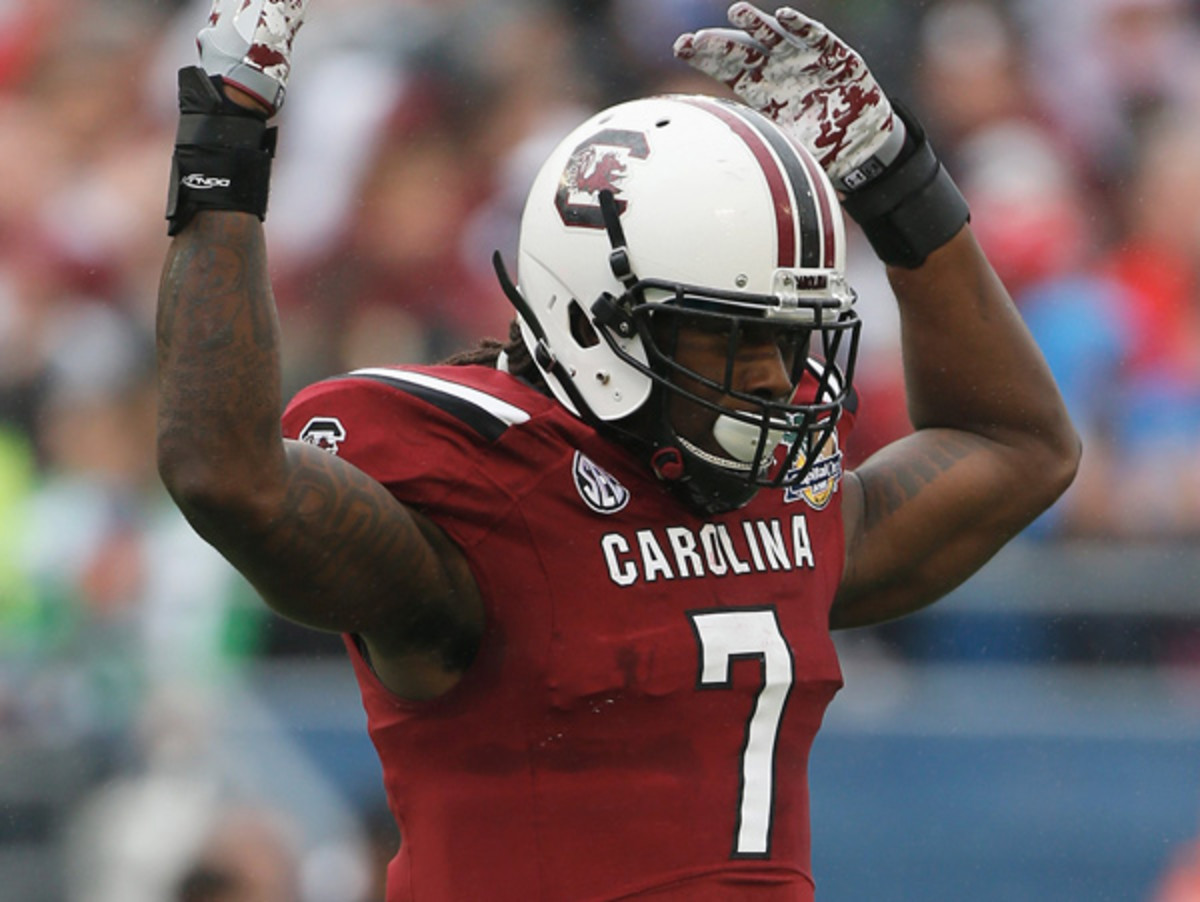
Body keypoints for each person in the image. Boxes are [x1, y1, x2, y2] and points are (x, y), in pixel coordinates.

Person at [155, 2, 1080, 899]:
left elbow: (1021, 445)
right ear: (602, 316)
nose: (769, 377)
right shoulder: (490, 500)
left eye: (790, 339)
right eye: (730, 336)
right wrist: (222, 153)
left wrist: (893, 176)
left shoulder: (782, 500)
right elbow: (228, 478)